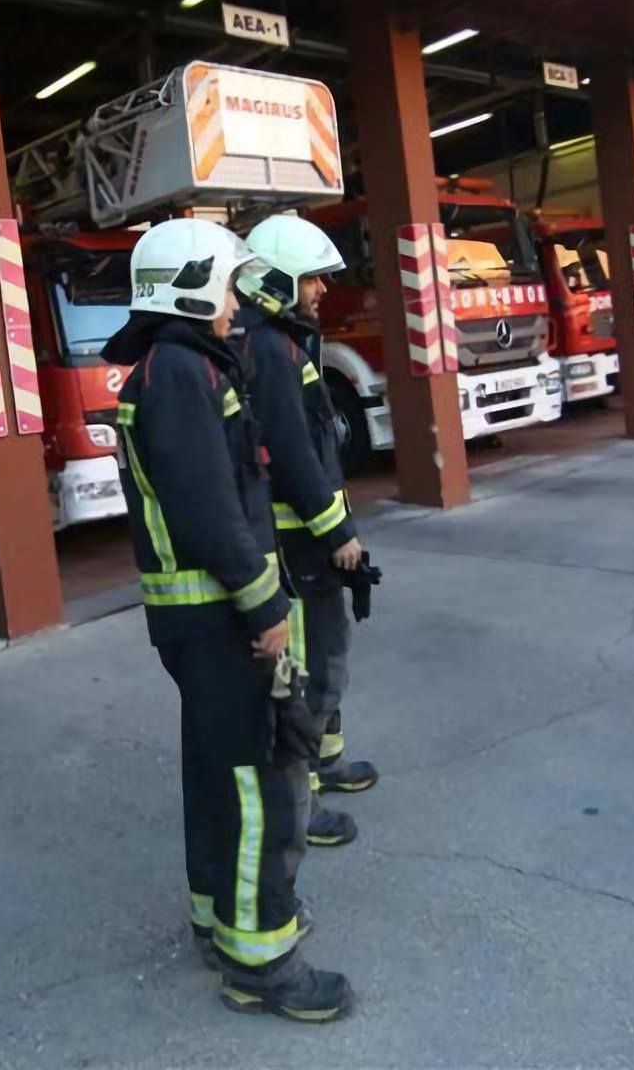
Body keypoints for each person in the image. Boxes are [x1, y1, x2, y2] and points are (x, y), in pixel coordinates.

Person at [102, 217, 354, 1020]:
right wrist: (266, 605)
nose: (235, 301)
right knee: (260, 787)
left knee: (219, 774)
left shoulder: (175, 367)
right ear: (191, 286)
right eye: (225, 284)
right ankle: (263, 961)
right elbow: (211, 507)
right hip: (219, 617)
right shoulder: (181, 372)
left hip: (199, 622)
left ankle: (222, 918)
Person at [233, 215, 378, 852]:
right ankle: (307, 797)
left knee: (329, 658)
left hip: (311, 543)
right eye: (312, 278)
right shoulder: (270, 349)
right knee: (312, 667)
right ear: (277, 281)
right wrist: (338, 531)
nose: (322, 289)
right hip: (301, 548)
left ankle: (328, 763)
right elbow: (292, 453)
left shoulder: (285, 342)